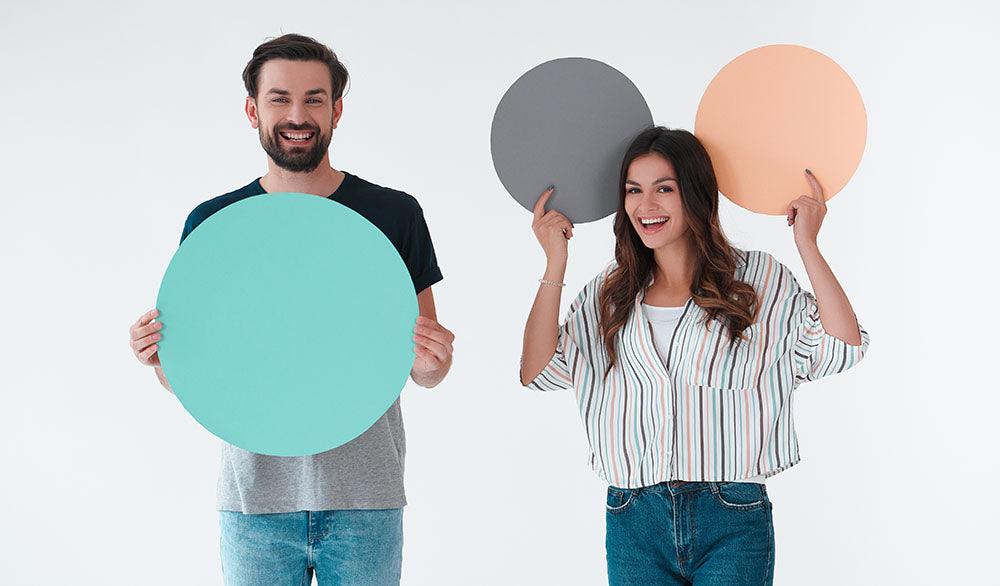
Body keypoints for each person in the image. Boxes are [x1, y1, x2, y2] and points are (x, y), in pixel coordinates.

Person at [128, 34, 455, 585]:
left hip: (365, 498)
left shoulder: (394, 214)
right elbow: (198, 378)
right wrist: (159, 358)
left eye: (314, 98)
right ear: (253, 110)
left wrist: (432, 361)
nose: (297, 115)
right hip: (254, 499)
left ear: (337, 109)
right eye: (280, 99)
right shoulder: (214, 223)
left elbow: (427, 368)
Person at [519, 126, 869, 585]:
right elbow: (537, 370)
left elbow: (844, 344)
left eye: (664, 188)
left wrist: (808, 243)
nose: (646, 206)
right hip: (633, 517)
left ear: (697, 194)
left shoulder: (758, 280)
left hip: (731, 513)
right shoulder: (609, 294)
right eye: (633, 191)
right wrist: (554, 264)